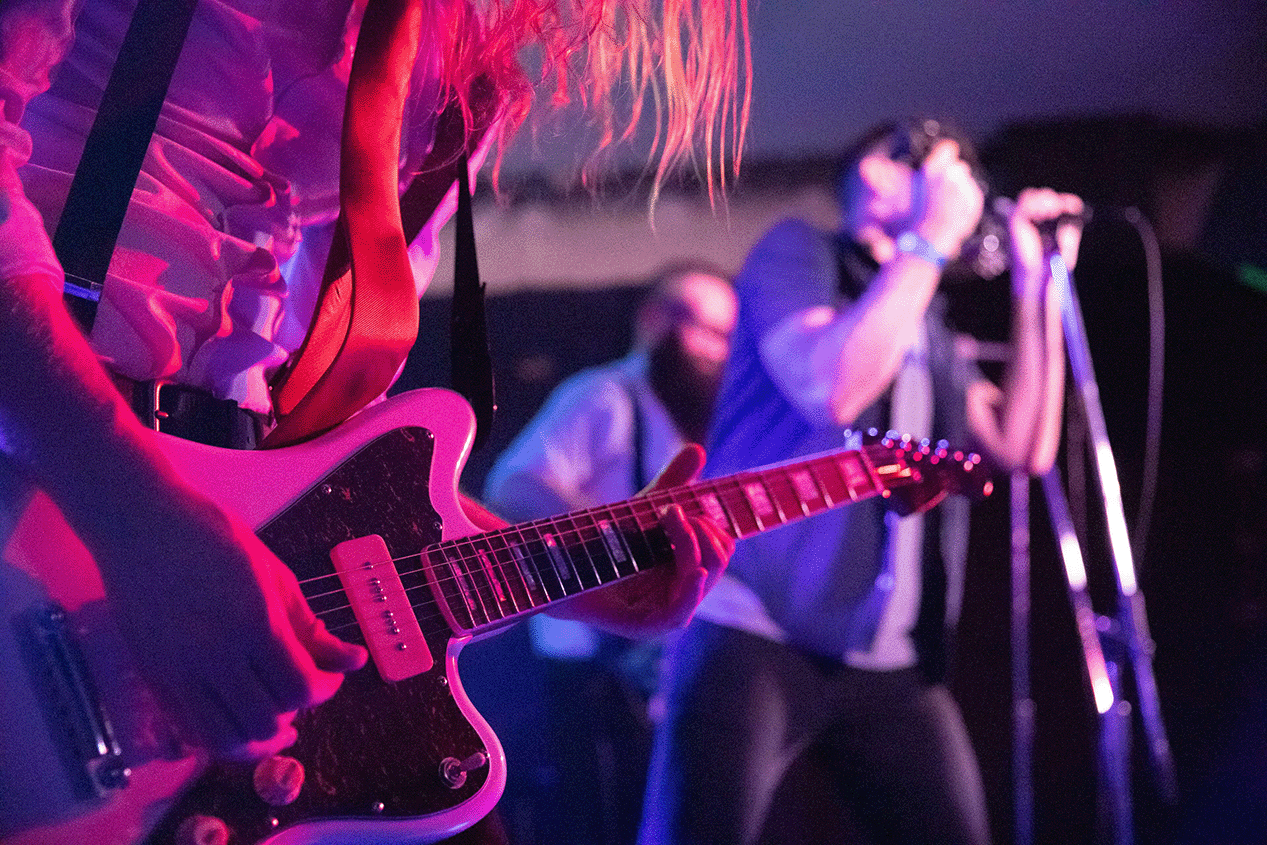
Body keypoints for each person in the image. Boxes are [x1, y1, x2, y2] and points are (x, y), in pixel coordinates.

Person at [0, 0, 744, 839]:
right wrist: (139, 519)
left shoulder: (449, 73)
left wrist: (571, 577)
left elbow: (339, 453)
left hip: (204, 550)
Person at [637, 117, 1084, 845]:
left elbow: (1023, 444)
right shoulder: (797, 253)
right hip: (755, 628)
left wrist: (1037, 288)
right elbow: (831, 387)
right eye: (941, 169)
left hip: (887, 658)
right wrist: (931, 239)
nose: (962, 190)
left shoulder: (920, 313)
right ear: (876, 172)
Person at [479, 263, 737, 844]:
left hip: (656, 665)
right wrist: (615, 541)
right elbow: (514, 486)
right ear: (653, 320)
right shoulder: (603, 394)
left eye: (729, 335)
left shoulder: (697, 417)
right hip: (590, 663)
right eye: (704, 328)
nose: (717, 349)